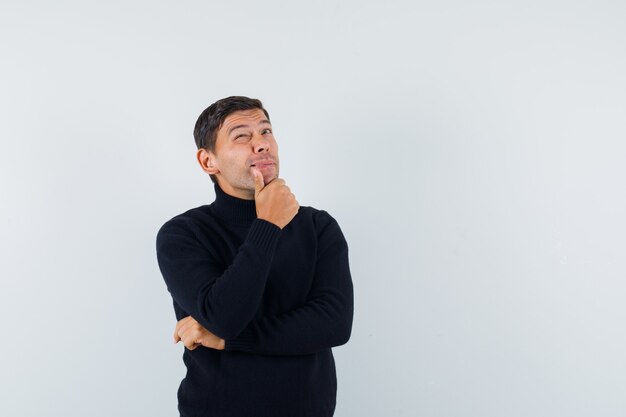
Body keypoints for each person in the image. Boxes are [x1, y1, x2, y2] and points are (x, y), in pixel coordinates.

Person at [156, 96, 354, 417]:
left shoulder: (318, 227)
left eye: (266, 131)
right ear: (209, 161)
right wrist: (268, 224)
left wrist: (227, 341)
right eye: (242, 136)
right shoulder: (183, 234)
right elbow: (225, 317)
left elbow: (333, 325)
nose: (261, 144)